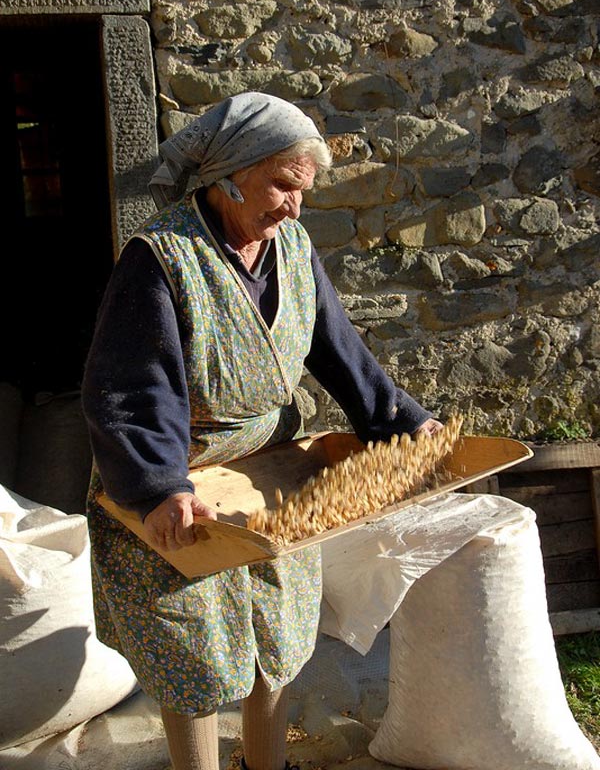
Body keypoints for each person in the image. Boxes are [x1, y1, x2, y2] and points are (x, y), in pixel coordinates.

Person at [81, 91, 442, 770]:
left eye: (302, 191)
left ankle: (265, 763)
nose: (294, 207)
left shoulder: (293, 249)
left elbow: (341, 350)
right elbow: (130, 388)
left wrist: (404, 422)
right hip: (186, 483)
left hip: (272, 478)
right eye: (282, 184)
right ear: (228, 174)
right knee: (193, 645)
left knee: (276, 634)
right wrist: (158, 488)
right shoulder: (161, 259)